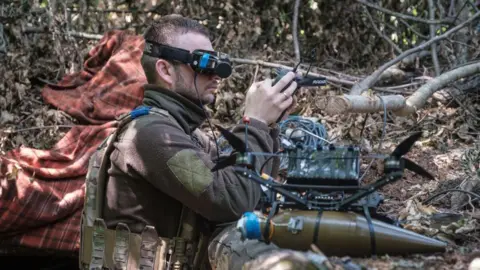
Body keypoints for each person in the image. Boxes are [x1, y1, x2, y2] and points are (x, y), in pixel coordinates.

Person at [78, 14, 299, 270]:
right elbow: (231, 201)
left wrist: (269, 124)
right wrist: (256, 122)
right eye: (204, 63)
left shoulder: (184, 133)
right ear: (165, 70)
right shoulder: (150, 135)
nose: (217, 75)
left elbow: (252, 188)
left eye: (218, 63)